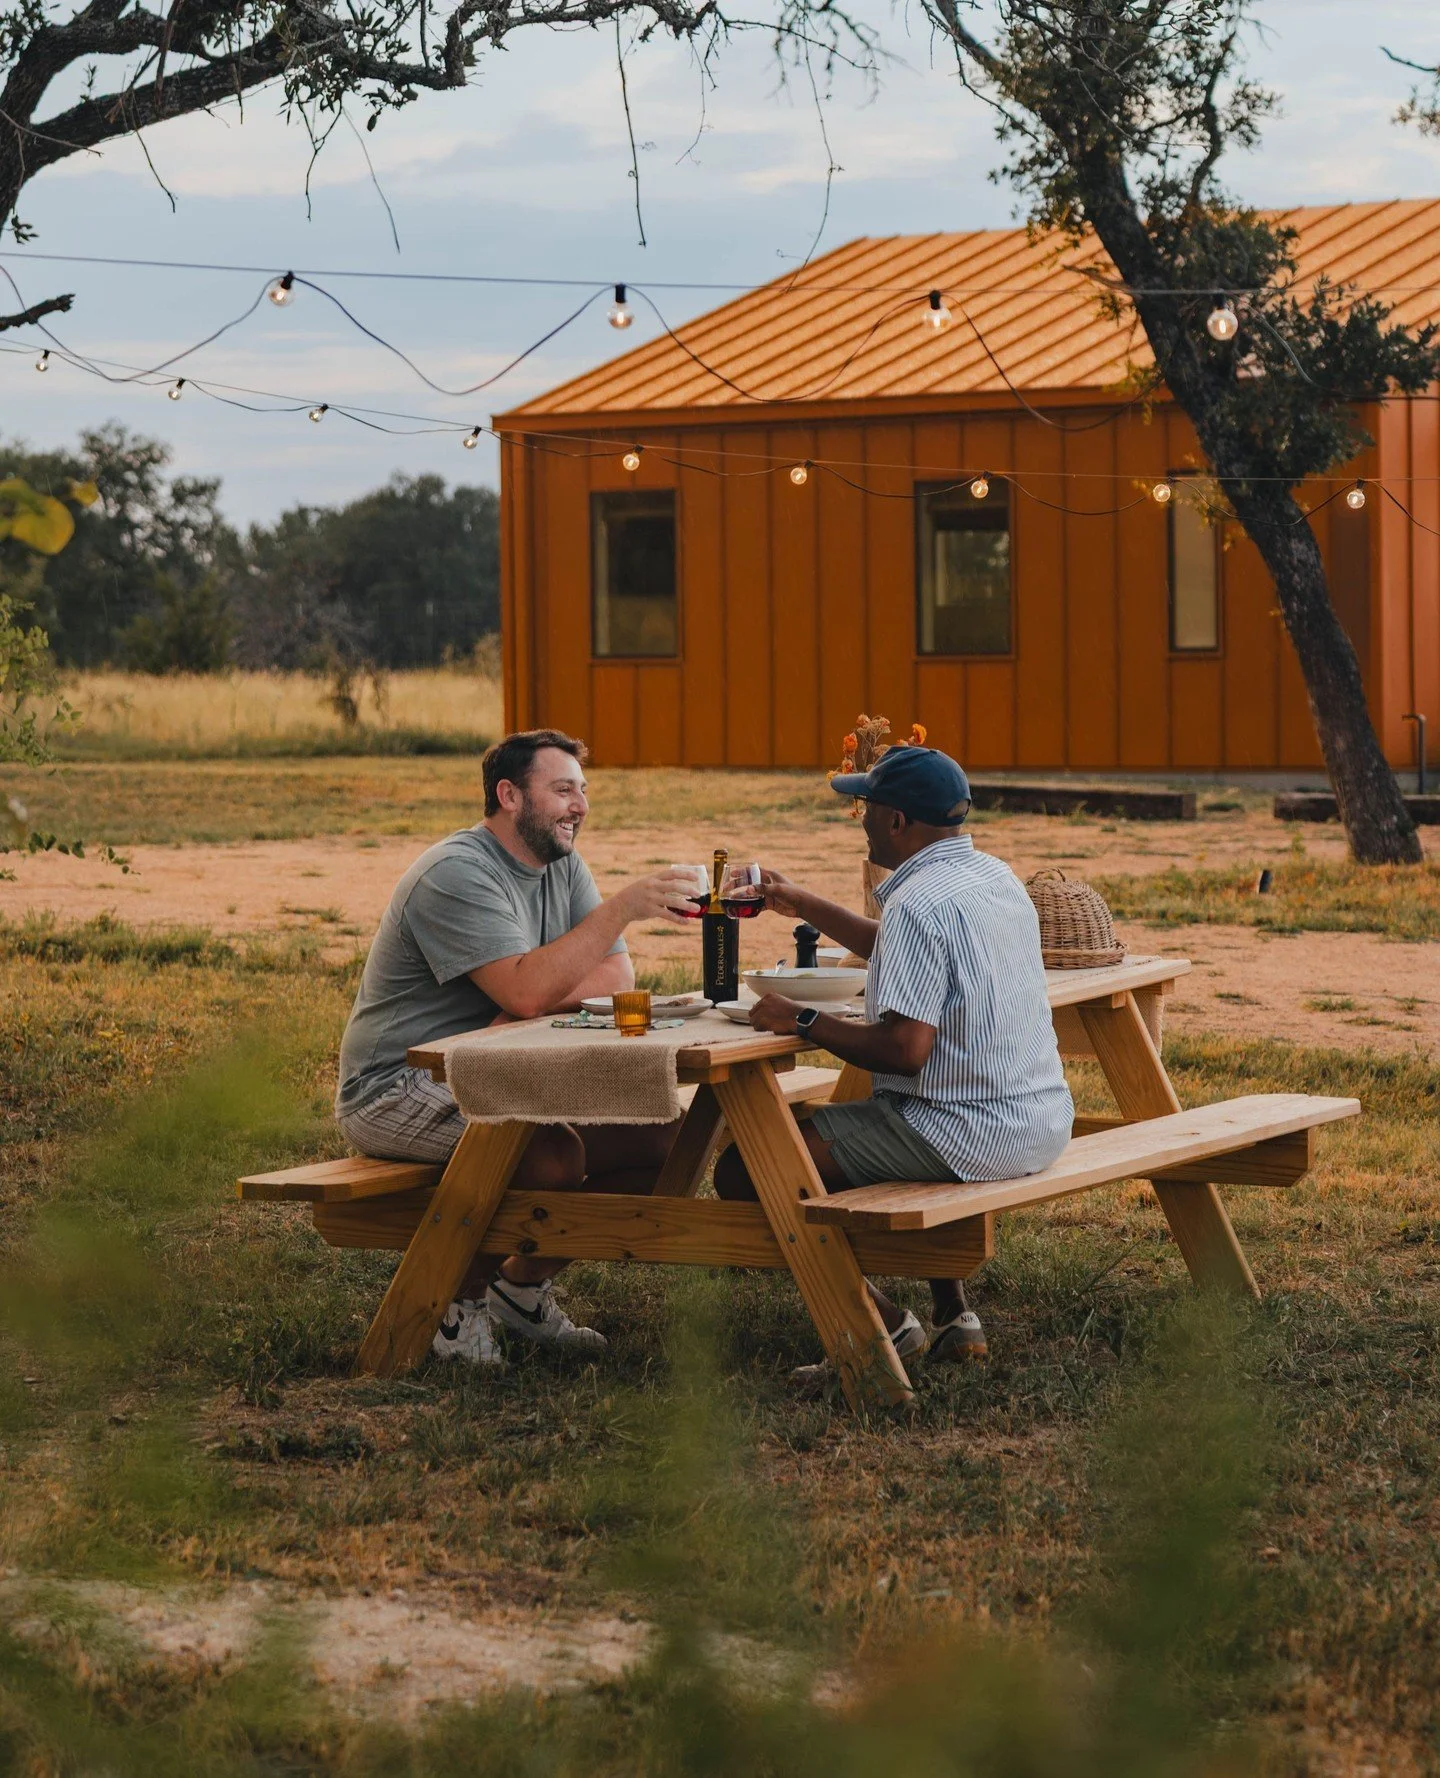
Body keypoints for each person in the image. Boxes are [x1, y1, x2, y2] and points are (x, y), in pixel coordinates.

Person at [335, 728, 697, 1369]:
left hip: (500, 1068)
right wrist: (618, 913)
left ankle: (519, 1289)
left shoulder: (564, 866)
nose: (579, 806)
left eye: (582, 791)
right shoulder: (455, 873)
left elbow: (617, 981)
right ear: (509, 795)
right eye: (562, 790)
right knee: (551, 1154)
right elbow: (529, 991)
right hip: (396, 1084)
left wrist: (521, 1001)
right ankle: (453, 1306)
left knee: (665, 1138)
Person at [716, 744, 1073, 1382]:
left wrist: (797, 1019)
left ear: (899, 822)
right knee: (878, 1116)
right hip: (1040, 1120)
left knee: (754, 1165)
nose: (862, 819)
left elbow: (907, 1053)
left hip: (966, 1134)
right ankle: (954, 1318)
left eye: (868, 808)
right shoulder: (994, 878)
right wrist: (800, 903)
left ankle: (880, 1325)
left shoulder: (915, 902)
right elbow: (900, 949)